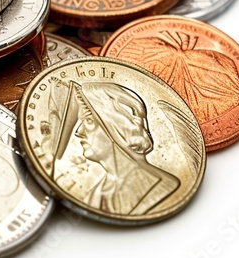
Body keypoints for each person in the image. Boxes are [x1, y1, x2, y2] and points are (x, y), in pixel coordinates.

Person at [61, 81, 180, 216]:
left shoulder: (161, 186)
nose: (78, 131)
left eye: (89, 121)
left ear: (119, 128)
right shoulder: (98, 193)